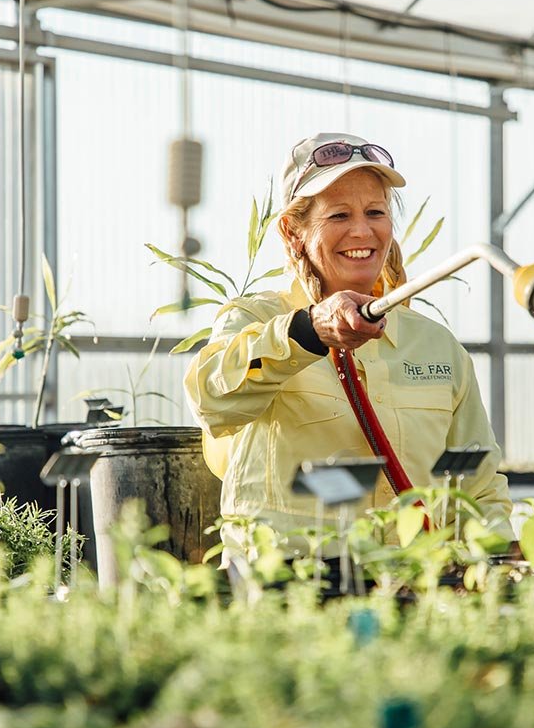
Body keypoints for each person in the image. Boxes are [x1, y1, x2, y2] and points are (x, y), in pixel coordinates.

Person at [184, 133, 511, 553]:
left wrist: (501, 561)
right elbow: (209, 399)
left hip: (413, 584)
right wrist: (309, 331)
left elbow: (478, 485)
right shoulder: (255, 319)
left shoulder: (435, 346)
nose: (362, 230)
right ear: (292, 231)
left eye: (375, 212)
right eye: (338, 215)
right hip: (290, 586)